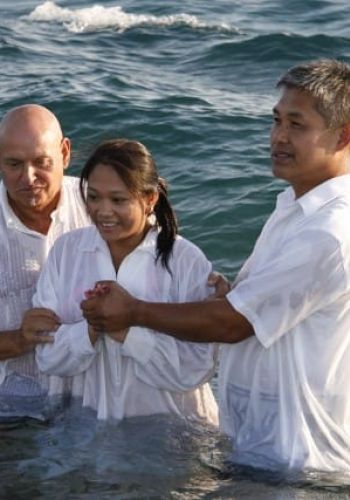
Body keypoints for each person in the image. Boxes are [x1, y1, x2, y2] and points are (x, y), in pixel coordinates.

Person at [80, 59, 350, 472]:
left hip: (300, 461)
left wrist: (134, 311)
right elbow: (257, 312)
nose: (278, 136)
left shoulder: (329, 230)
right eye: (276, 120)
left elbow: (232, 324)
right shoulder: (295, 210)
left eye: (297, 125)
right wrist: (235, 296)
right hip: (265, 448)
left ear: (343, 136)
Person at [32, 139, 218, 425]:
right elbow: (47, 358)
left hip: (174, 430)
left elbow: (197, 368)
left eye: (118, 200)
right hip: (90, 427)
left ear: (149, 199)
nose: (103, 211)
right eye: (93, 197)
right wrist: (92, 329)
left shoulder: (185, 260)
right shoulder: (66, 252)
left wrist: (127, 331)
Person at [0, 104, 91, 419]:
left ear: (65, 153)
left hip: (95, 398)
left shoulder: (105, 205)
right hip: (10, 406)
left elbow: (160, 270)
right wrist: (17, 339)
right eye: (14, 164)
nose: (28, 178)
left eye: (42, 162)